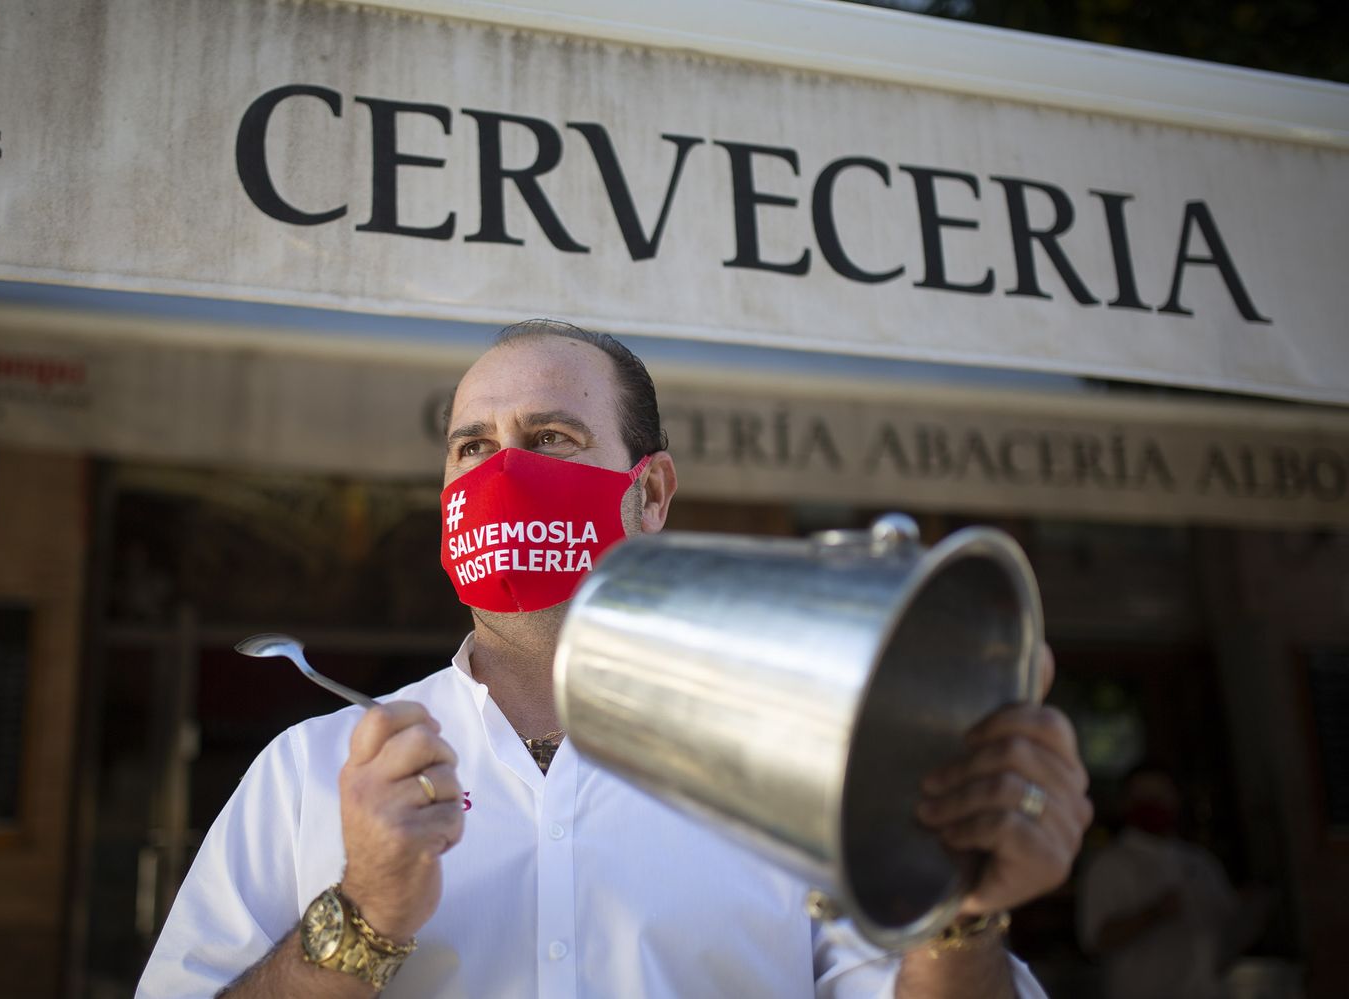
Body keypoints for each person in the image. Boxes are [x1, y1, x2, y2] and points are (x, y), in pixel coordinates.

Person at [138, 320, 1093, 998]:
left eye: (552, 438)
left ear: (652, 492)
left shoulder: (808, 760)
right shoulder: (311, 769)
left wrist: (960, 914)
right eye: (473, 447)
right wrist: (360, 917)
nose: (502, 473)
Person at [1077, 766, 1262, 999]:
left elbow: (1226, 934)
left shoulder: (1201, 862)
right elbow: (1095, 940)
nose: (1153, 804)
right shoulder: (1109, 865)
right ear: (1125, 802)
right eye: (1143, 797)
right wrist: (1154, 913)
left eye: (1160, 795)